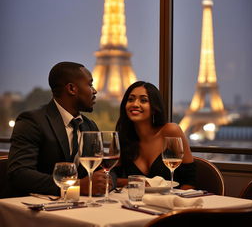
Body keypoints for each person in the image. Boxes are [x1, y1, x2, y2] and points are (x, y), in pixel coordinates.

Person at [7, 62, 111, 197]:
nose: (95, 91)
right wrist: (76, 186)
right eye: (90, 85)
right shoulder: (32, 121)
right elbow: (19, 174)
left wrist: (107, 182)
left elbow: (104, 172)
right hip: (32, 209)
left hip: (77, 207)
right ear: (72, 89)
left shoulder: (90, 126)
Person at [115, 81, 195, 189]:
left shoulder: (171, 131)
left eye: (143, 100)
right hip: (136, 202)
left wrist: (178, 201)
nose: (135, 104)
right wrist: (137, 182)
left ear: (154, 108)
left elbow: (190, 179)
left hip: (171, 201)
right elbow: (111, 177)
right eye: (130, 99)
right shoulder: (122, 137)